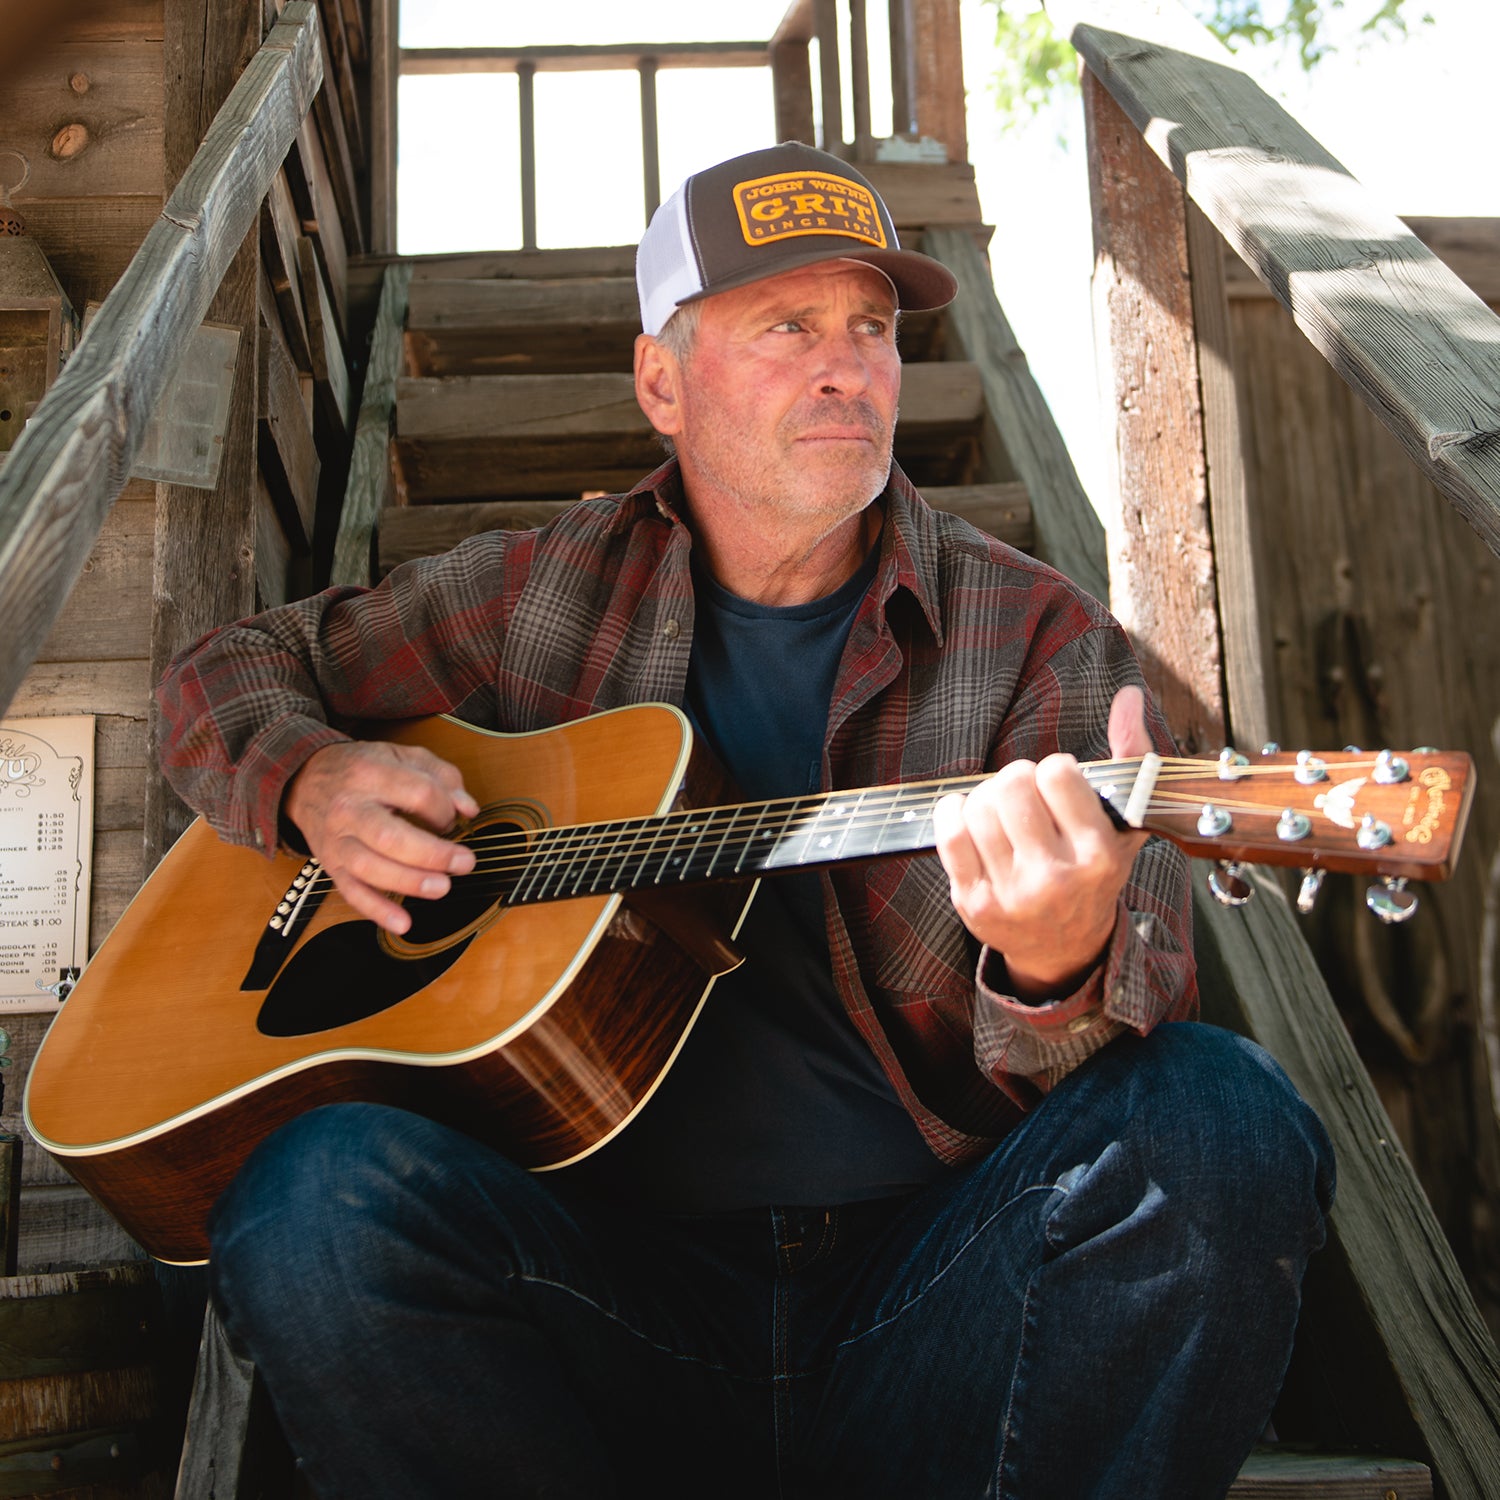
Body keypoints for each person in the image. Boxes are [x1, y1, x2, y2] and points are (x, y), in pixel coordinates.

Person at [156, 142, 1334, 1499]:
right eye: (788, 326)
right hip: (597, 1294)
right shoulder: (545, 597)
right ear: (662, 380)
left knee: (1222, 1117)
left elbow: (1116, 1071)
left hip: (933, 1294)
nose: (847, 366)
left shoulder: (1040, 642)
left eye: (873, 329)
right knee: (309, 1198)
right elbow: (222, 671)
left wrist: (1057, 966)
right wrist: (307, 778)